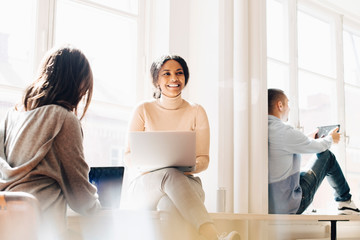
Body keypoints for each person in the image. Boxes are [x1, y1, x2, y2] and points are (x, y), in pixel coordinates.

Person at [123, 55, 240, 240]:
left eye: (179, 73)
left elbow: (203, 159)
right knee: (169, 174)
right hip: (145, 186)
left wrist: (186, 166)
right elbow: (128, 156)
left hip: (186, 183)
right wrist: (158, 167)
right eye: (166, 74)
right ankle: (213, 236)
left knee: (169, 204)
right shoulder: (143, 109)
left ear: (185, 77)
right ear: (156, 80)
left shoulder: (196, 111)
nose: (174, 79)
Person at [0, 46, 101, 238]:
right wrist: (99, 207)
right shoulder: (63, 119)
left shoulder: (11, 117)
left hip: (8, 222)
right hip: (43, 225)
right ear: (77, 83)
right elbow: (80, 196)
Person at [267, 88, 360, 215]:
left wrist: (310, 136)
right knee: (327, 156)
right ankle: (345, 202)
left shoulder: (264, 129)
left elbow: (294, 142)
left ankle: (345, 203)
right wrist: (330, 138)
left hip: (272, 204)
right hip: (290, 206)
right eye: (288, 104)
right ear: (280, 105)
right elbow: (319, 147)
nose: (289, 108)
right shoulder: (283, 131)